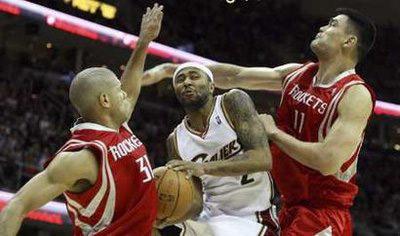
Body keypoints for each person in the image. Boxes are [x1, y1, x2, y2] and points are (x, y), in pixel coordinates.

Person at [148, 8, 376, 236]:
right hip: (290, 206)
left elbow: (328, 161)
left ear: (349, 41)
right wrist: (176, 70)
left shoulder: (355, 94)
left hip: (323, 212)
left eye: (332, 24)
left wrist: (274, 133)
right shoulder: (297, 74)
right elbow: (236, 76)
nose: (323, 27)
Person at [0, 4, 164, 236]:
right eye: (119, 92)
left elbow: (131, 84)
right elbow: (15, 206)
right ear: (105, 100)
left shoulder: (118, 125)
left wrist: (143, 42)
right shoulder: (81, 156)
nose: (125, 94)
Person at [158, 62, 279, 236]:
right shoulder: (175, 140)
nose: (186, 82)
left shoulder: (232, 102)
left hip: (252, 217)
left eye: (194, 76)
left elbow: (262, 159)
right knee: (150, 225)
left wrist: (203, 168)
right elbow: (196, 203)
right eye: (180, 79)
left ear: (211, 86)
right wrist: (168, 214)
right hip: (210, 218)